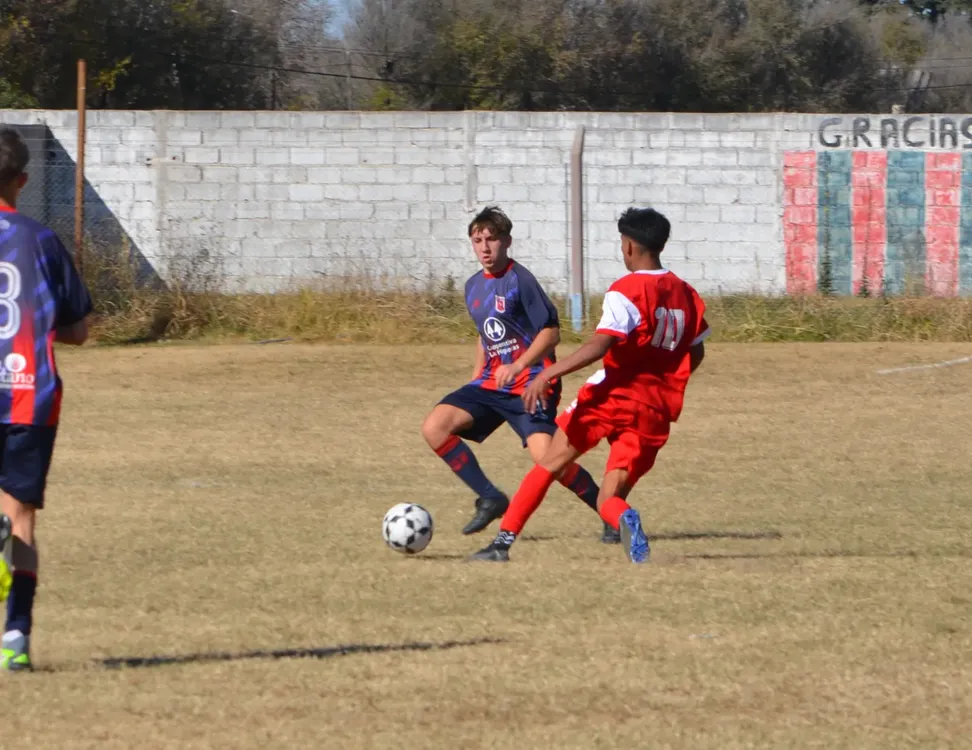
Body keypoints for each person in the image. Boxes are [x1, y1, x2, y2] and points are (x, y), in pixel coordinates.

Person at [469, 206, 709, 563]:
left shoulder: (625, 289)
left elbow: (601, 344)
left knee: (549, 464)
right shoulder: (687, 294)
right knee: (608, 498)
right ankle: (624, 519)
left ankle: (501, 545)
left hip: (611, 399)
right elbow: (697, 349)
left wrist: (549, 373)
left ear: (628, 246)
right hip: (655, 411)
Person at [422, 206, 618, 542]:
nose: (485, 247)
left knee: (548, 459)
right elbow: (486, 336)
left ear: (507, 241)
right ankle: (490, 497)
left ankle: (608, 514)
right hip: (490, 384)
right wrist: (475, 378)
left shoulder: (520, 280)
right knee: (435, 427)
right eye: (477, 240)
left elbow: (551, 333)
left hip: (531, 383)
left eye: (492, 239)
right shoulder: (472, 287)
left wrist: (519, 366)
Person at [0, 128, 93, 671]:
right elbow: (79, 331)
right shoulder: (42, 241)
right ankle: (15, 638)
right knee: (22, 522)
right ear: (24, 180)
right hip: (30, 397)